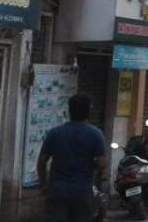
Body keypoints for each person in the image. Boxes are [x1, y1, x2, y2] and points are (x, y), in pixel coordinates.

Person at [36, 92, 107, 222]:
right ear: (88, 111)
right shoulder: (95, 134)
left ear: (69, 111)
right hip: (82, 192)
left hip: (57, 191)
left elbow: (41, 161)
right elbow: (102, 163)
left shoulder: (55, 133)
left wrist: (43, 184)